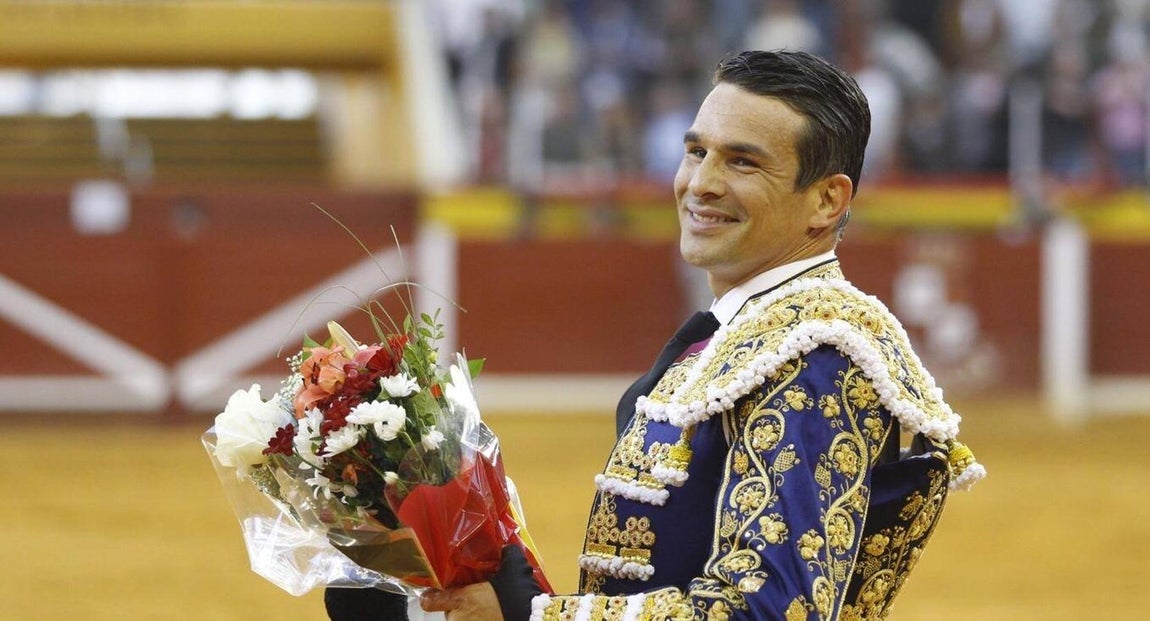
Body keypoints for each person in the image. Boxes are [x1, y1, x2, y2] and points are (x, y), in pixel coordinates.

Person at [346, 49, 985, 621]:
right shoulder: (740, 337)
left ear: (826, 201)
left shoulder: (817, 354)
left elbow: (764, 612)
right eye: (697, 151)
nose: (700, 183)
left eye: (743, 163)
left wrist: (536, 617)